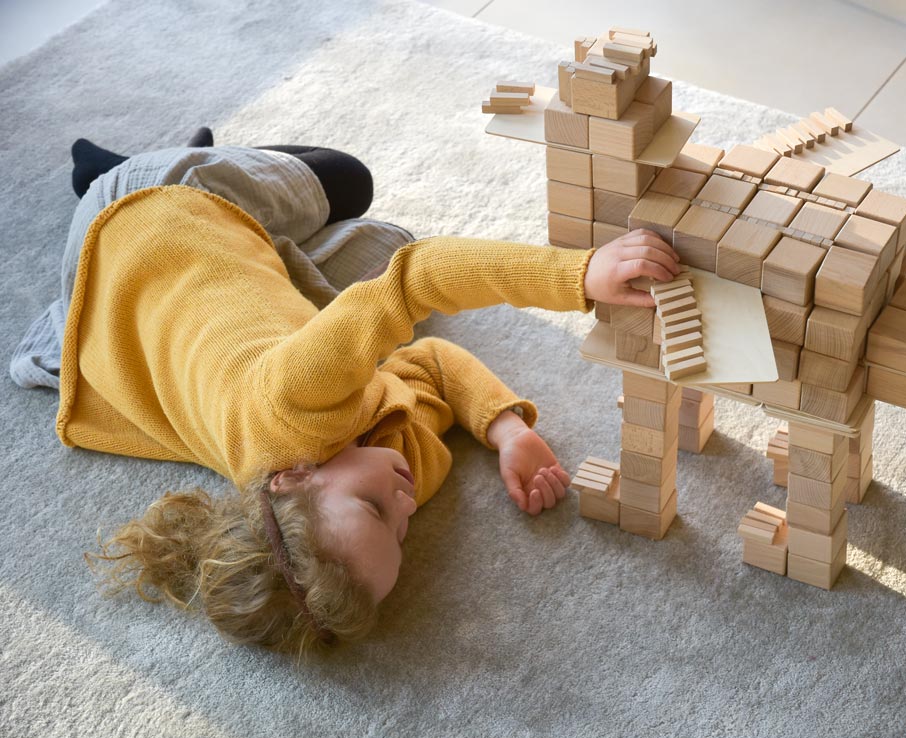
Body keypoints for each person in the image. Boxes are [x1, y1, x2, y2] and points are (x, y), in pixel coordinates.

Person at [11, 130, 681, 654]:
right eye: (402, 527)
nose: (405, 500)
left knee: (347, 180)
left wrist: (579, 273)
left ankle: (103, 178)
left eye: (373, 507)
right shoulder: (391, 477)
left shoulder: (291, 401)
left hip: (154, 217)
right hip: (235, 293)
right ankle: (77, 311)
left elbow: (418, 281)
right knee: (388, 238)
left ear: (290, 477)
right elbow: (433, 364)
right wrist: (507, 428)